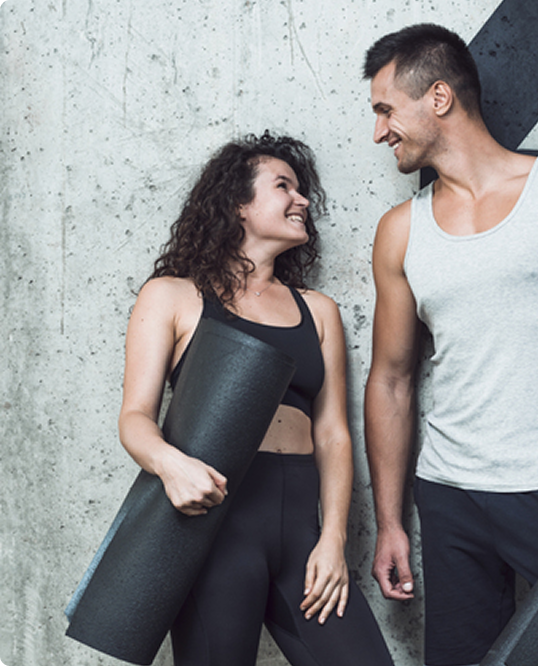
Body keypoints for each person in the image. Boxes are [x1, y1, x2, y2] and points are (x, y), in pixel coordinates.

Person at [362, 23, 538, 666]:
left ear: (439, 97)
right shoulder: (400, 232)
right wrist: (390, 522)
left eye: (385, 110)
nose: (379, 132)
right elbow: (391, 380)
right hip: (449, 496)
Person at [118, 132, 394, 666]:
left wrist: (333, 539)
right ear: (238, 204)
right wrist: (170, 465)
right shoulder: (172, 296)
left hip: (302, 534)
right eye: (283, 186)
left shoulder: (318, 311)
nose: (303, 200)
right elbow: (134, 418)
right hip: (213, 530)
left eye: (302, 189)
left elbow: (333, 433)